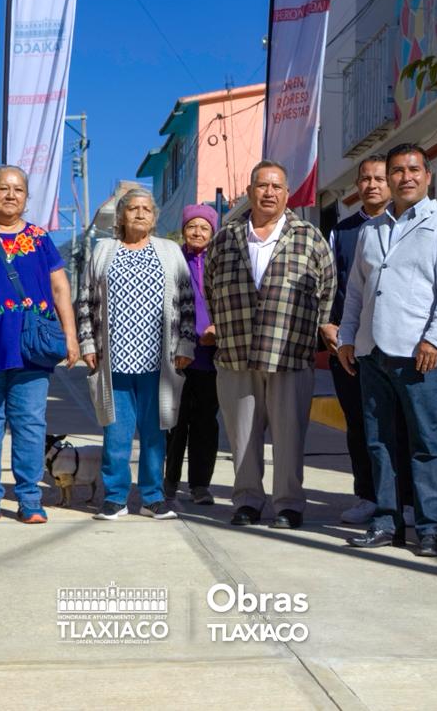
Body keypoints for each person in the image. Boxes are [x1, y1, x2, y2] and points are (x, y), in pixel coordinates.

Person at [338, 144, 437, 557]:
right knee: (379, 443)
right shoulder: (370, 230)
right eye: (397, 170)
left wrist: (434, 338)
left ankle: (430, 528)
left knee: (425, 444)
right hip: (372, 352)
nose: (405, 177)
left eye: (413, 169)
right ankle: (386, 521)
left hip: (419, 355)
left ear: (428, 176)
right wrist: (346, 337)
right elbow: (356, 291)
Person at [205, 161, 336, 530]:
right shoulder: (226, 238)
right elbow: (210, 287)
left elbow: (327, 288)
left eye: (277, 187)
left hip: (289, 352)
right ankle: (247, 500)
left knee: (289, 436)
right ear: (250, 192)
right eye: (262, 186)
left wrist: (310, 331)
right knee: (242, 437)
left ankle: (289, 504)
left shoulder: (308, 236)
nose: (269, 193)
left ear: (286, 193)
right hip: (236, 352)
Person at [0, 166, 79, 524]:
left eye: (18, 190)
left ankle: (29, 497)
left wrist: (71, 335)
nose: (11, 195)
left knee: (29, 423)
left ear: (27, 198)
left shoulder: (40, 239)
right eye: (3, 188)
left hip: (31, 347)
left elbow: (60, 288)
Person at [79, 188, 196, 520]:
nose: (140, 214)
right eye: (133, 209)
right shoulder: (104, 250)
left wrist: (185, 345)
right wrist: (88, 344)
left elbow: (187, 302)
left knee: (155, 434)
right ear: (121, 217)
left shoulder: (170, 251)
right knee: (115, 432)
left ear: (155, 217)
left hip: (158, 360)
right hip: (113, 360)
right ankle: (115, 496)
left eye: (146, 209)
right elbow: (86, 299)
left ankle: (151, 496)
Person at [321, 155, 408, 526]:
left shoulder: (408, 225)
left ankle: (406, 501)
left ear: (390, 183)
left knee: (400, 425)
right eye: (365, 179)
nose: (372, 185)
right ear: (356, 187)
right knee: (360, 425)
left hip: (397, 343)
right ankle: (367, 496)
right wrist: (326, 324)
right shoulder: (341, 232)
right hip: (349, 347)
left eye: (378, 178)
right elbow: (328, 283)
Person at [164, 204, 221, 505]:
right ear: (184, 230)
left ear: (213, 232)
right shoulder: (173, 259)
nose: (198, 232)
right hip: (178, 354)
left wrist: (219, 327)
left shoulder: (221, 261)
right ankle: (170, 480)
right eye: (192, 227)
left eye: (204, 227)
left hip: (212, 355)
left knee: (205, 423)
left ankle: (200, 485)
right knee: (175, 422)